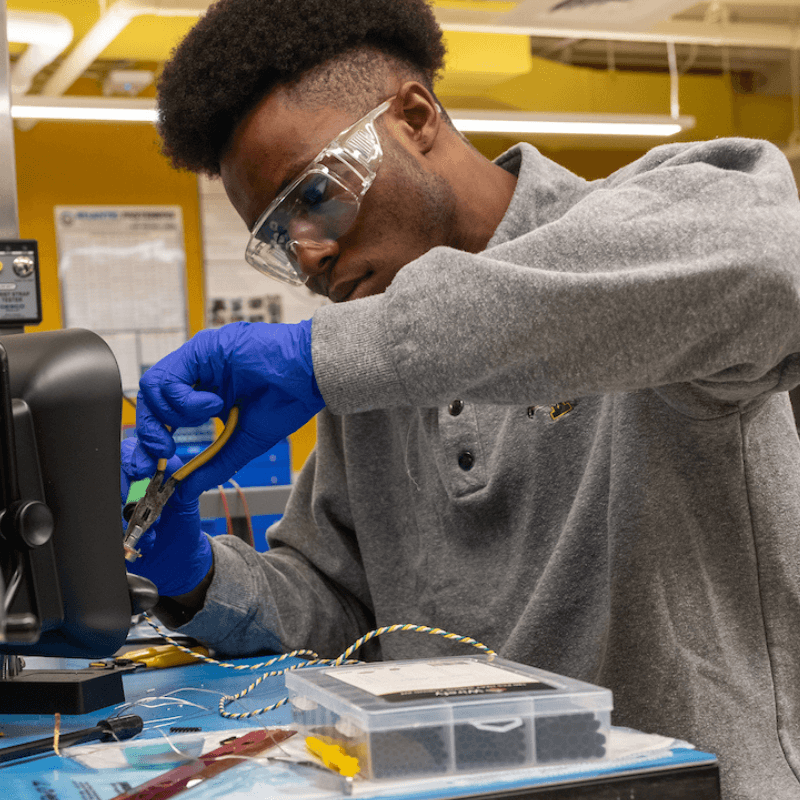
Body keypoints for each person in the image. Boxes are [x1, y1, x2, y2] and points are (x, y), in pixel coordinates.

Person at [120, 0, 800, 796]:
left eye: (315, 193)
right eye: (278, 237)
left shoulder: (648, 241)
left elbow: (771, 268)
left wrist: (323, 355)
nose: (311, 256)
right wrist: (197, 576)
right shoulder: (366, 365)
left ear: (415, 116)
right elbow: (345, 611)